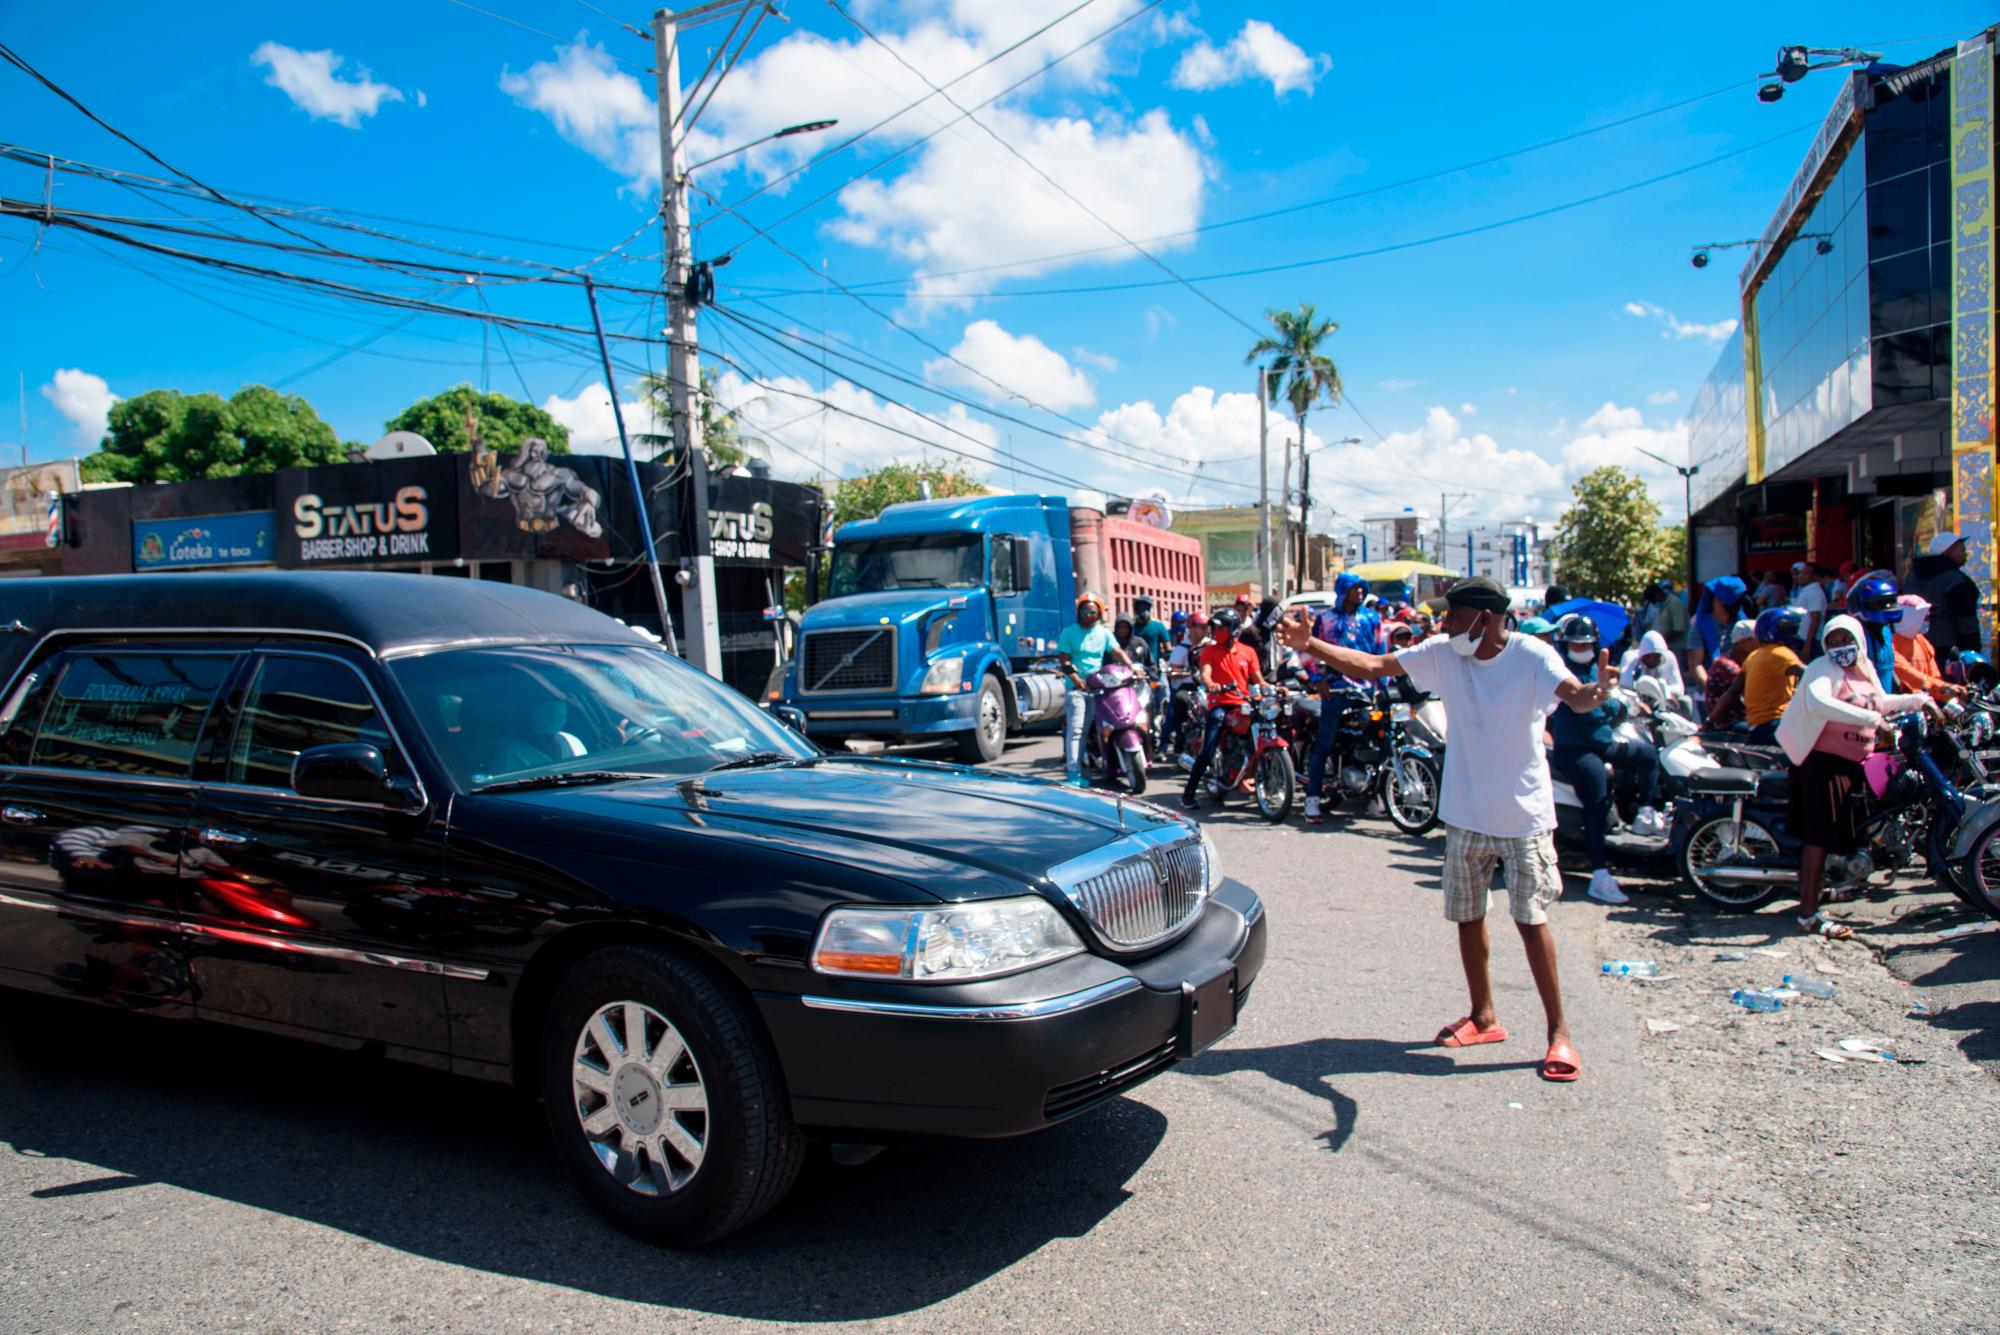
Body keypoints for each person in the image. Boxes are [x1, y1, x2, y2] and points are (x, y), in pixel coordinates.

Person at [1277, 575, 1617, 1084]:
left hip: (1522, 817)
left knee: (1531, 921)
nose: (1445, 624)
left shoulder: (1531, 656)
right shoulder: (1445, 652)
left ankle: (1559, 1035)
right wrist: (1311, 646)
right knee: (1468, 916)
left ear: (1485, 617)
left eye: (1454, 615)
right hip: (1464, 814)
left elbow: (1577, 697)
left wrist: (1599, 690)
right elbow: (1371, 665)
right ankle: (1484, 1017)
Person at [1775, 615, 1933, 939]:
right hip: (1821, 765)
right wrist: (1872, 719)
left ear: (1859, 641)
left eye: (1845, 640)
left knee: (1843, 833)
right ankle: (1806, 915)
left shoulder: (1863, 670)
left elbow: (1879, 701)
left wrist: (1918, 700)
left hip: (1852, 765)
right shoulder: (1822, 668)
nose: (1839, 647)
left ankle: (1823, 892)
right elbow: (1820, 702)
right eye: (1833, 640)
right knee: (1818, 838)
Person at [1546, 614, 1665, 906]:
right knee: (1597, 802)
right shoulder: (1561, 673)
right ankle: (1600, 875)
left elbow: (1610, 702)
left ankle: (1645, 814)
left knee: (1649, 755)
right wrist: (1605, 701)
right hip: (1576, 750)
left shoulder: (1595, 669)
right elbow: (1585, 705)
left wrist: (1622, 704)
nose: (1581, 648)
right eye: (1575, 644)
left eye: (1585, 643)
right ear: (1565, 645)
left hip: (1603, 742)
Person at [1303, 572, 1386, 824]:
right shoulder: (1325, 619)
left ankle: (1377, 798)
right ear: (1343, 590)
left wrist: (1382, 684)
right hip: (1336, 691)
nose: (1359, 593)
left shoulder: (1372, 618)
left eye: (1362, 588)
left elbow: (1381, 652)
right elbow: (1308, 650)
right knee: (1324, 744)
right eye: (1354, 588)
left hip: (1366, 691)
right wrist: (1318, 680)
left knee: (1378, 741)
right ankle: (1312, 800)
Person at [1182, 607, 1265, 808]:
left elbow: (1259, 680)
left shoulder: (1248, 651)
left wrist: (1275, 688)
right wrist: (1210, 683)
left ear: (1234, 628)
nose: (1215, 631)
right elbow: (1205, 673)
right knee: (1208, 748)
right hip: (1220, 705)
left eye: (1221, 627)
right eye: (1214, 627)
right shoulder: (1209, 651)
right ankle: (1189, 793)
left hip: (1244, 704)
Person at [1057, 595, 1130, 787]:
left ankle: (1109, 763)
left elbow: (1117, 651)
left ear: (1099, 613)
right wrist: (1077, 680)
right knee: (1077, 731)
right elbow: (1064, 661)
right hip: (1077, 690)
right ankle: (1073, 772)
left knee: (1107, 725)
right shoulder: (1069, 632)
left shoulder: (1103, 633)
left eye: (1092, 612)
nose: (1089, 615)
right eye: (1085, 611)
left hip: (1099, 688)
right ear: (1079, 613)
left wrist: (1133, 667)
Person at [1733, 608, 1807, 742]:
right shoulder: (1780, 653)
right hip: (1774, 724)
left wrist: (1709, 722)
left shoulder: (1753, 656)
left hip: (1756, 727)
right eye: (1790, 630)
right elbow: (1809, 674)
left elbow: (1731, 693)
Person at [1908, 531, 1982, 661]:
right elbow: (1966, 620)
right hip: (1950, 649)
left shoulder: (1913, 577)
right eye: (1962, 550)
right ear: (1949, 551)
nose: (1966, 554)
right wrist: (1972, 650)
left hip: (1919, 645)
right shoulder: (1954, 579)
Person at [1891, 594, 1967, 702]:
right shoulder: (1888, 642)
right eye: (1923, 615)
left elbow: (1935, 676)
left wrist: (1950, 694)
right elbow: (1904, 671)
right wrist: (1941, 686)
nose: (1928, 618)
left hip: (1926, 706)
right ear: (1909, 616)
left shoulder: (1921, 640)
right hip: (1902, 706)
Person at [1686, 575, 1748, 689]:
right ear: (1718, 600)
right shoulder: (1699, 627)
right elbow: (1695, 664)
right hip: (1710, 692)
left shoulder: (1740, 623)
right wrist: (1711, 689)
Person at [1844, 571, 1904, 688]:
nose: (1888, 607)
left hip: (1886, 701)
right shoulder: (1855, 636)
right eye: (1880, 603)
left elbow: (1887, 667)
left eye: (1890, 602)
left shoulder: (1886, 631)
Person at [1700, 619, 1761, 728]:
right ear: (1744, 642)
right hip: (1730, 721)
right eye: (1758, 640)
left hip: (1746, 717)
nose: (1762, 644)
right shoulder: (1725, 664)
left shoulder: (1747, 661)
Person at [1618, 628, 1687, 700]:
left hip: (1663, 701)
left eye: (1656, 657)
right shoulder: (1630, 657)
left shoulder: (1669, 658)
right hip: (1637, 700)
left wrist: (1659, 690)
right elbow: (1625, 683)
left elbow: (1680, 688)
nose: (1652, 660)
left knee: (1685, 700)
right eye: (1648, 657)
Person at [1788, 561, 1831, 650]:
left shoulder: (1814, 592)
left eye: (1805, 574)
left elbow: (1815, 618)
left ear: (1815, 576)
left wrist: (1807, 646)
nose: (1800, 576)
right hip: (1802, 639)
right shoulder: (1806, 590)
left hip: (1811, 642)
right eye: (1800, 573)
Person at [1131, 596, 1171, 671]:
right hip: (1137, 669)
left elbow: (1168, 648)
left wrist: (1165, 662)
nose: (1142, 611)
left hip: (1155, 668)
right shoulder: (1132, 628)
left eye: (1144, 608)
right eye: (1139, 609)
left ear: (1150, 609)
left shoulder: (1158, 626)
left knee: (1163, 683)